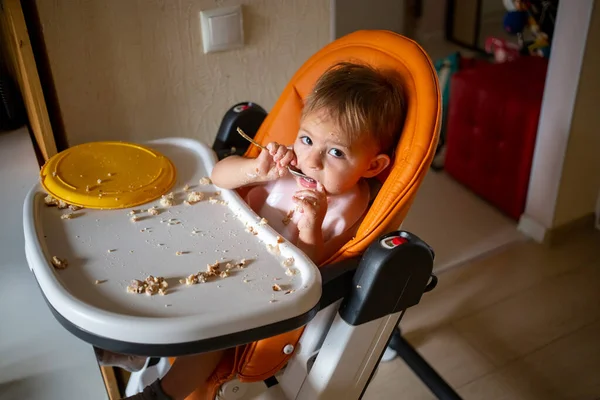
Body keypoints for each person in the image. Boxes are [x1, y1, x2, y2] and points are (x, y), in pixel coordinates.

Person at [123, 61, 405, 400]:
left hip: (259, 291)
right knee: (154, 251)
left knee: (214, 336)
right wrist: (256, 170)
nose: (311, 161)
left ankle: (161, 395)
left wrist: (311, 226)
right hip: (218, 249)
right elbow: (219, 176)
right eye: (306, 139)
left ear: (372, 165)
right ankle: (131, 341)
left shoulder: (352, 207)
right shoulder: (285, 166)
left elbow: (311, 267)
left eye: (335, 152)